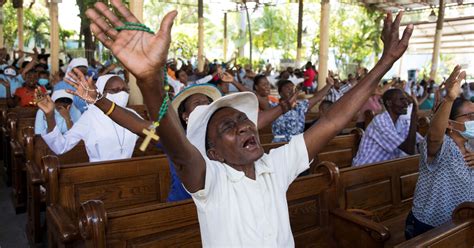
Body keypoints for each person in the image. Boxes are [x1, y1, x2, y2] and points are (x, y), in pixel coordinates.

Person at [85, 2, 412, 245]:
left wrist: (386, 61)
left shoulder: (275, 165)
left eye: (243, 120)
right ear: (213, 153)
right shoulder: (210, 179)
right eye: (228, 127)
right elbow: (179, 150)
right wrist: (149, 81)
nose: (244, 126)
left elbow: (331, 120)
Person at [405, 66, 473, 239]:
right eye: (470, 116)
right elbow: (434, 137)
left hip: (462, 223)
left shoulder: (471, 145)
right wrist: (449, 99)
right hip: (431, 226)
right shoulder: (442, 146)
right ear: (450, 123)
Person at [37, 75, 140, 162]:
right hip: (99, 175)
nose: (122, 94)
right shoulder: (91, 116)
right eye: (115, 90)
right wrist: (50, 116)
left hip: (129, 171)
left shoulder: (131, 113)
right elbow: (60, 146)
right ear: (101, 93)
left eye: (125, 90)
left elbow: (150, 135)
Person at [352, 88, 422, 166]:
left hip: (384, 169)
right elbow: (409, 150)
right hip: (364, 169)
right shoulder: (380, 122)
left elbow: (421, 143)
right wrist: (414, 114)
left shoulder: (402, 122)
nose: (406, 104)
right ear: (389, 103)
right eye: (401, 100)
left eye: (406, 100)